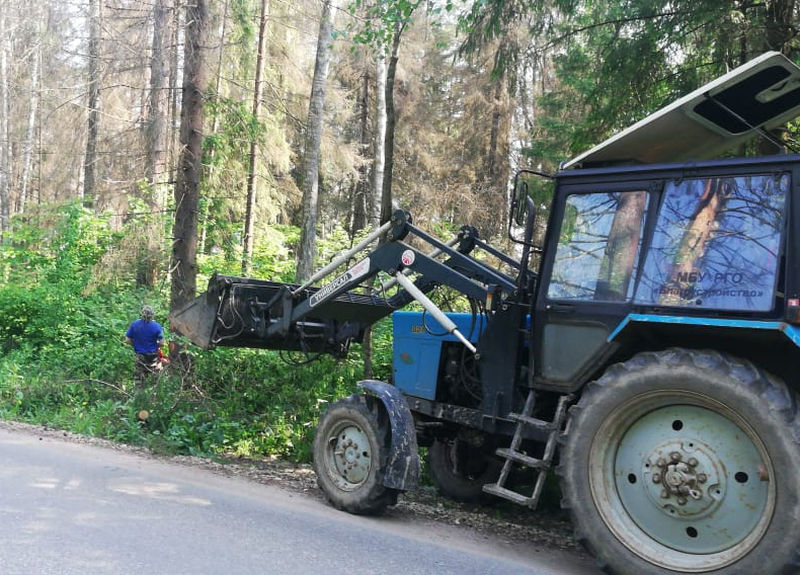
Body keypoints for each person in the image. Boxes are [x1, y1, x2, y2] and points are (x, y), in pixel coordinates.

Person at [125, 305, 165, 386]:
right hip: (153, 356)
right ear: (153, 315)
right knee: (156, 380)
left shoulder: (134, 324)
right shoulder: (157, 326)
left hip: (140, 356)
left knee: (139, 380)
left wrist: (136, 345)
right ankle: (154, 394)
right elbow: (162, 343)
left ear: (142, 313)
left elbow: (127, 340)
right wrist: (155, 345)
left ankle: (139, 396)